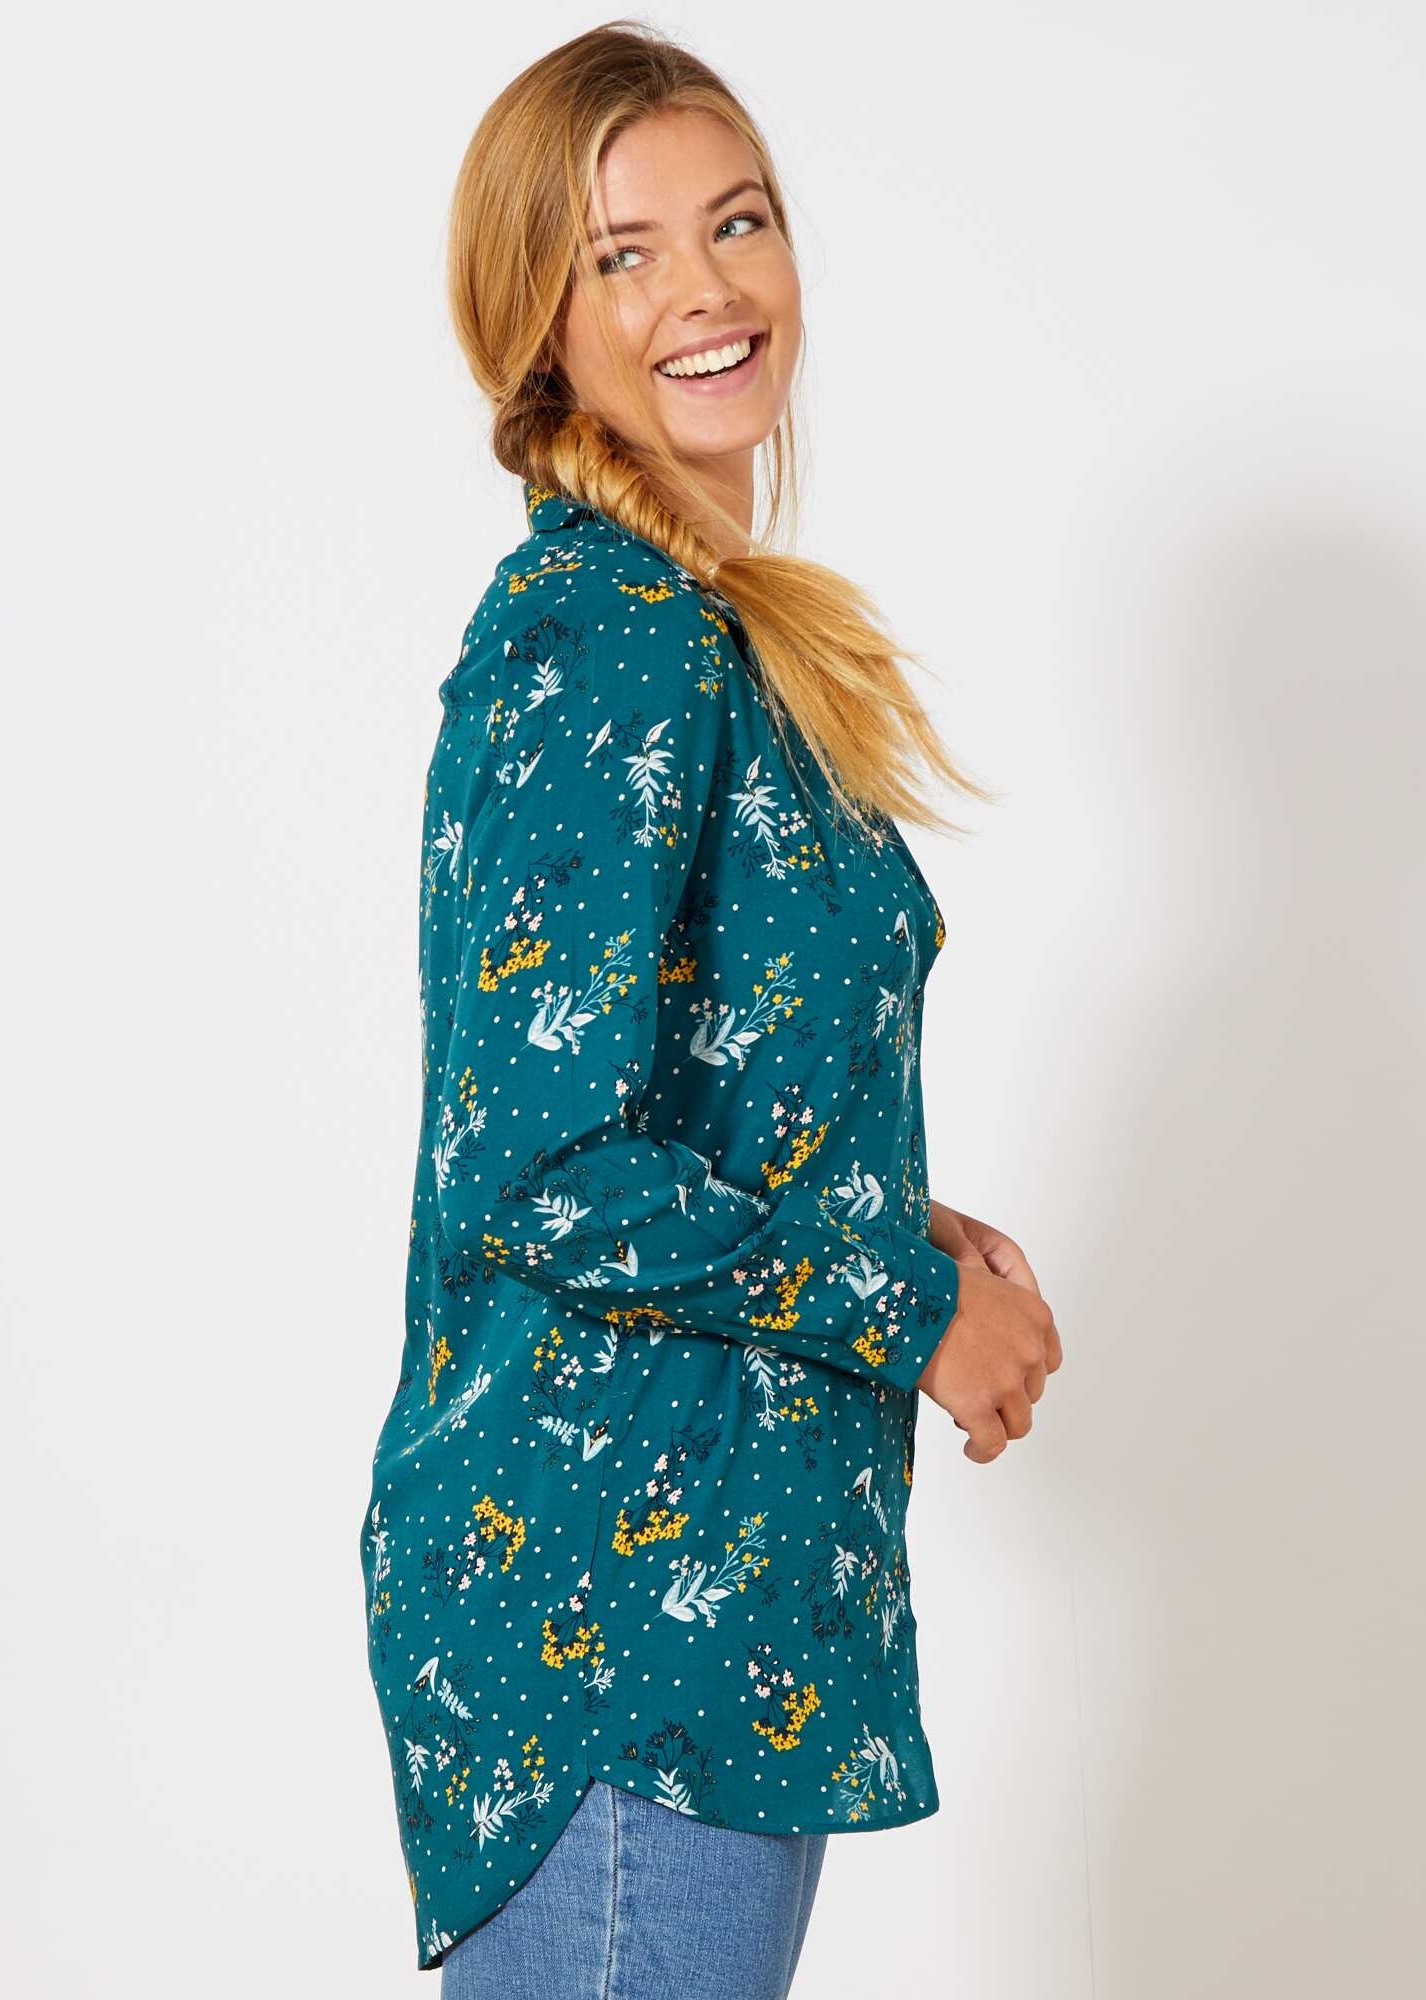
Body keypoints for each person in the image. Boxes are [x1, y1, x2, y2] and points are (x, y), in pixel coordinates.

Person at [356, 22, 1063, 1991]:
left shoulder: (716, 632)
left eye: (736, 223)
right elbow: (540, 1162)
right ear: (539, 321)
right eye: (626, 253)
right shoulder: (613, 635)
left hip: (711, 1620)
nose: (706, 288)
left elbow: (673, 1095)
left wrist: (905, 1221)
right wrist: (908, 1305)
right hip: (614, 1632)